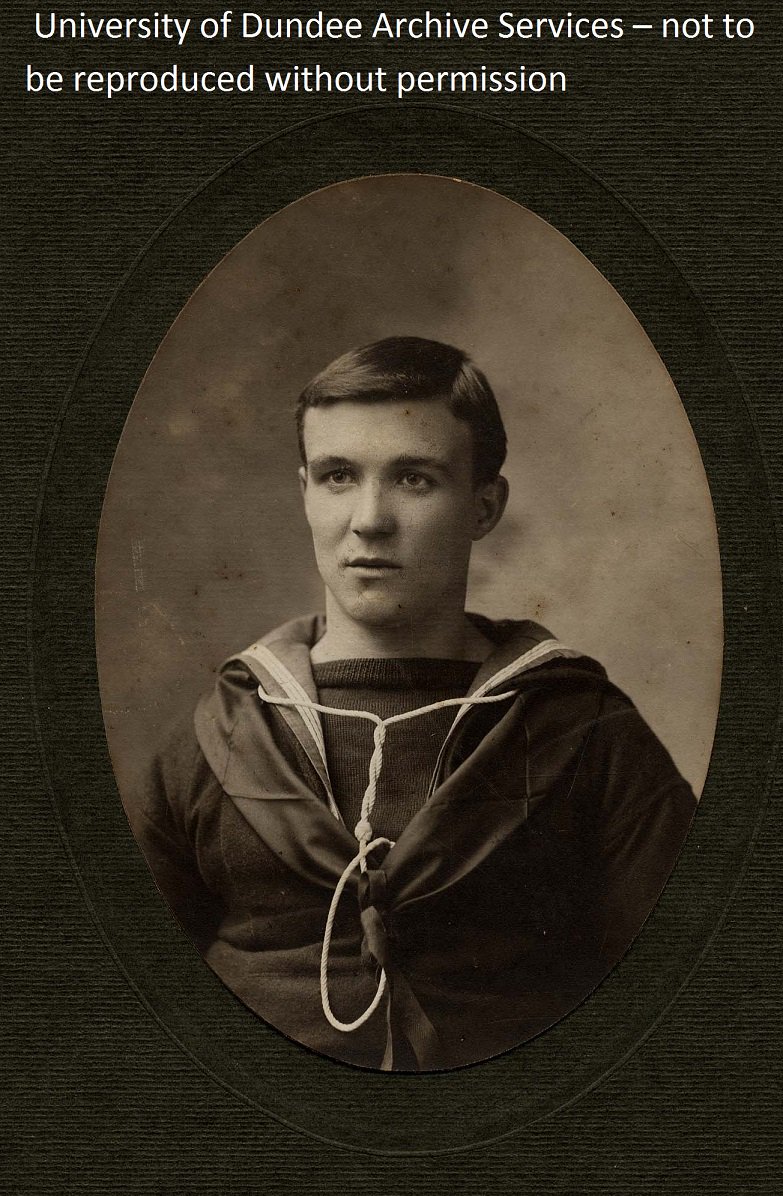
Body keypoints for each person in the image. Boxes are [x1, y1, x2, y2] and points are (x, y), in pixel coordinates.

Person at [133, 336, 696, 1071]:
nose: (369, 518)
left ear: (484, 506)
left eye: (414, 479)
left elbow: (686, 999)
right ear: (305, 494)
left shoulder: (587, 730)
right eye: (338, 476)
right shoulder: (226, 729)